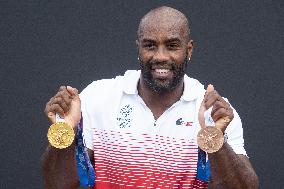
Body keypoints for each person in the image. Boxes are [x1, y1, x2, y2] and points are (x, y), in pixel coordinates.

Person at [42, 6, 259, 189]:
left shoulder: (213, 110)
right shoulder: (99, 97)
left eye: (172, 45)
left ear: (189, 49)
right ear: (138, 49)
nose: (161, 56)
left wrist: (214, 139)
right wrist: (65, 134)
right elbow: (56, 185)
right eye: (150, 45)